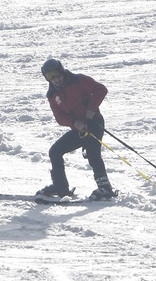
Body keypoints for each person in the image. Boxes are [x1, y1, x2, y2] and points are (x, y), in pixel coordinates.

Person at [37, 58, 115, 200]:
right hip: (78, 128)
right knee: (55, 151)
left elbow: (101, 90)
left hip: (94, 123)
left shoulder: (78, 80)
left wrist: (91, 109)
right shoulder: (52, 95)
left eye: (56, 74)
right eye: (50, 77)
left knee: (93, 153)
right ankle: (60, 187)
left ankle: (105, 188)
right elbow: (59, 117)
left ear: (62, 71)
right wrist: (74, 123)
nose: (55, 79)